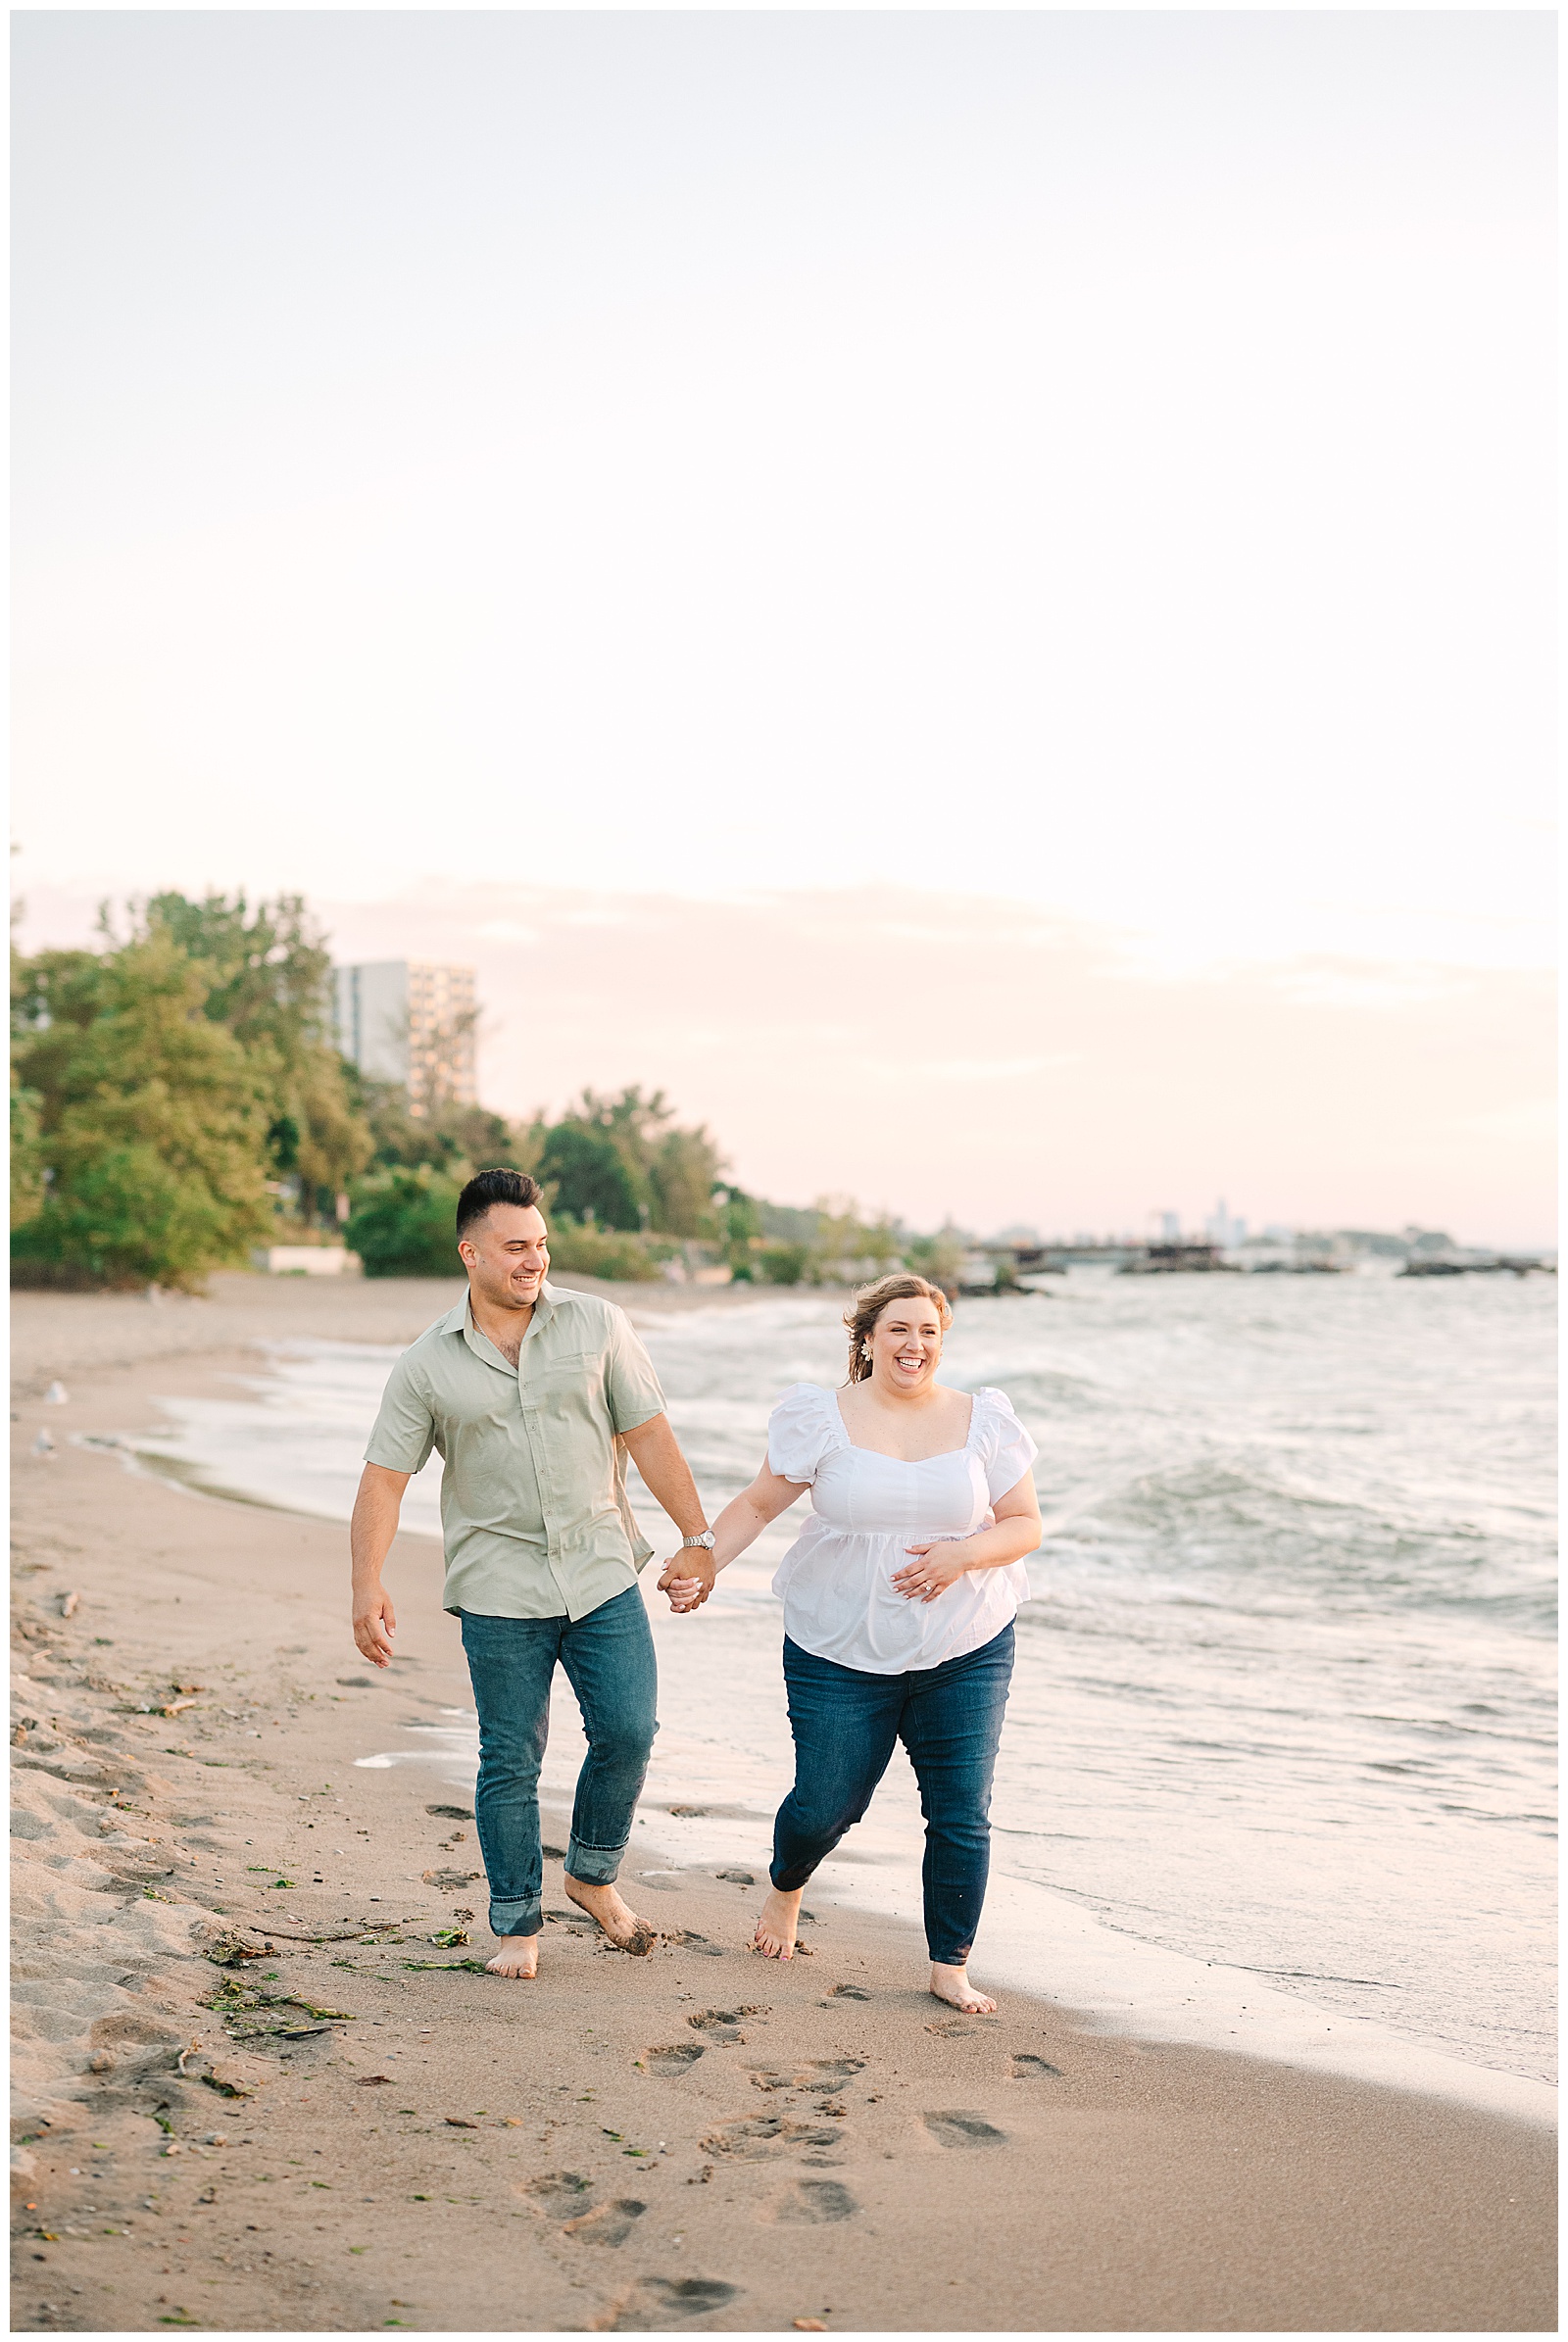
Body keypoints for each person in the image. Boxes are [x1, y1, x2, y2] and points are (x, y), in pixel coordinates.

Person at [350, 1168, 715, 1979]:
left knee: (628, 1731)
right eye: (516, 1247)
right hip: (497, 1588)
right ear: (470, 1252)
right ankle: (517, 1924)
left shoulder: (599, 1325)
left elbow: (651, 1434)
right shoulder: (425, 1364)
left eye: (541, 1244)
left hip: (599, 1571)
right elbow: (384, 1476)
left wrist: (698, 1537)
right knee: (510, 1756)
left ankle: (591, 1874)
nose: (534, 1260)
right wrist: (365, 1583)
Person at [660, 1271, 1042, 2015]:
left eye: (929, 1331)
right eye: (899, 1329)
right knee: (825, 1804)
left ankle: (949, 1964)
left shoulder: (983, 1420)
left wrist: (962, 1555)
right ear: (867, 1338)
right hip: (837, 1644)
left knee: (961, 1810)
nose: (915, 1344)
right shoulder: (821, 1417)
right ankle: (785, 1887)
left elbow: (1024, 1524)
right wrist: (703, 1556)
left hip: (965, 1642)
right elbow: (760, 1502)